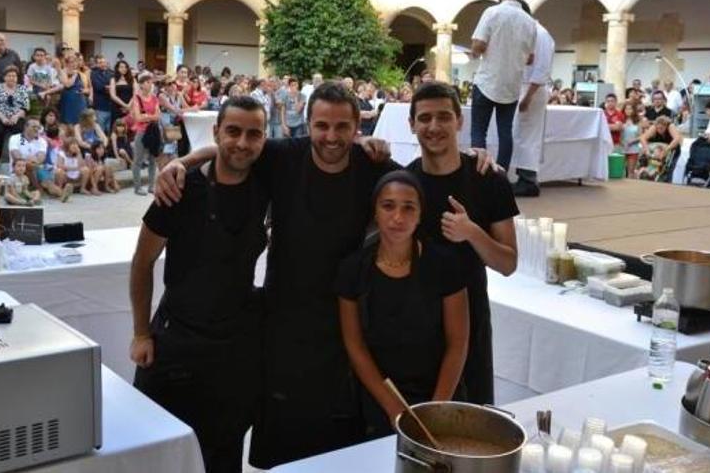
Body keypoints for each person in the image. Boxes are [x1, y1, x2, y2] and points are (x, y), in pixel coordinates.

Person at [154, 82, 408, 468]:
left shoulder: (371, 166)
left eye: (342, 127)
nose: (332, 136)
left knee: (335, 443)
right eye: (322, 126)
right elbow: (233, 151)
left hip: (342, 317)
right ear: (307, 125)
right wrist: (181, 163)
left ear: (359, 126)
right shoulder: (284, 156)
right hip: (283, 319)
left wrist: (471, 156)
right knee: (284, 439)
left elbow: (416, 190)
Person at [131, 96, 269, 473]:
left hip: (233, 347)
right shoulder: (179, 189)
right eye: (233, 132)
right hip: (176, 337)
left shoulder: (267, 181)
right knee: (157, 447)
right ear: (216, 131)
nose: (242, 142)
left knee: (223, 452)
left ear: (264, 139)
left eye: (253, 134)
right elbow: (142, 263)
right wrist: (141, 333)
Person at [405, 82, 518, 405]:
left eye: (444, 117)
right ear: (411, 124)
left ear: (459, 121)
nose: (434, 126)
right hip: (417, 323)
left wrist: (473, 233)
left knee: (470, 423)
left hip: (471, 322)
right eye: (425, 118)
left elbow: (508, 264)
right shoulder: (406, 184)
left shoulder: (489, 180)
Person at [336, 170, 469, 438]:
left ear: (420, 215)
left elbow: (458, 342)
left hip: (439, 393)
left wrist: (436, 408)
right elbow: (355, 345)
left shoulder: (445, 265)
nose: (398, 218)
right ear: (375, 212)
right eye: (388, 206)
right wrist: (393, 407)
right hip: (378, 397)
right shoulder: (353, 269)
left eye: (409, 208)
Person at [470, 0, 536, 170]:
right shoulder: (530, 22)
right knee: (505, 133)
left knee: (478, 131)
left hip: (487, 81)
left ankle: (478, 174)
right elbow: (531, 58)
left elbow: (479, 45)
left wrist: (475, 50)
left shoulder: (492, 12)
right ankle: (502, 176)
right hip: (512, 85)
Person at [512, 0, 554, 197]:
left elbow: (541, 69)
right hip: (525, 87)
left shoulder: (541, 34)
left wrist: (528, 96)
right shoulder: (530, 32)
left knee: (528, 134)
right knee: (522, 134)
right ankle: (523, 175)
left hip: (532, 89)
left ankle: (528, 179)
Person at [0, 66, 30, 156]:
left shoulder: (22, 89)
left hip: (17, 116)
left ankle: (20, 155)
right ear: (4, 77)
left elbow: (26, 107)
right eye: (9, 76)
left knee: (19, 131)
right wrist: (3, 118)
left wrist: (16, 117)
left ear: (17, 78)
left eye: (14, 76)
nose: (11, 78)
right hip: (0, 116)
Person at [132, 72, 160, 195]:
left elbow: (158, 116)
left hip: (153, 131)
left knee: (153, 159)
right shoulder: (136, 98)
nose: (151, 84)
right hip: (141, 131)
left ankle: (151, 186)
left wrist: (147, 116)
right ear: (142, 84)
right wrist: (151, 116)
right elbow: (138, 118)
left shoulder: (154, 98)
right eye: (148, 82)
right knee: (138, 159)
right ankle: (137, 187)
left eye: (151, 82)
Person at [639, 116, 682, 182]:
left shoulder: (670, 126)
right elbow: (643, 138)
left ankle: (668, 182)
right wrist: (646, 149)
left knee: (668, 169)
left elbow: (677, 139)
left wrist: (666, 150)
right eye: (658, 128)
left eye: (661, 128)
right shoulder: (654, 127)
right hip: (658, 149)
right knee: (651, 163)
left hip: (672, 149)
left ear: (665, 126)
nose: (659, 130)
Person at [8, 119, 46, 190]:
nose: (36, 129)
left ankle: (61, 195)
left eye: (38, 127)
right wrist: (29, 161)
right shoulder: (15, 138)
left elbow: (41, 158)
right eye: (34, 127)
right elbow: (16, 157)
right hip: (18, 170)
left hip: (36, 169)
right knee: (28, 167)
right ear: (26, 127)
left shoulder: (42, 141)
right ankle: (38, 189)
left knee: (48, 182)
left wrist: (33, 161)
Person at [58, 53, 88, 125]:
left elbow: (86, 88)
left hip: (80, 100)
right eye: (71, 62)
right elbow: (67, 85)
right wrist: (74, 75)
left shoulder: (81, 73)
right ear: (67, 63)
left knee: (80, 122)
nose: (74, 64)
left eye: (75, 61)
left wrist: (84, 91)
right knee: (68, 123)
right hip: (68, 101)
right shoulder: (63, 71)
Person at [622, 103, 643, 178]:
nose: (628, 111)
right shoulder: (621, 120)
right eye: (626, 109)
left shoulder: (638, 121)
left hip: (633, 149)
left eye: (630, 109)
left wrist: (632, 142)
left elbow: (641, 136)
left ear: (634, 110)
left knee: (631, 172)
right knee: (620, 170)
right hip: (621, 148)